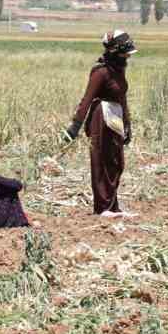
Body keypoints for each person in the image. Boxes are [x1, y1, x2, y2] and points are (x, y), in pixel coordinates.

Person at [66, 30, 135, 216]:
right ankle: (103, 207)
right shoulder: (101, 72)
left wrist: (127, 125)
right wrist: (75, 127)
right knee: (101, 161)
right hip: (101, 119)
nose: (128, 56)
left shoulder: (118, 71)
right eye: (125, 52)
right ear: (115, 51)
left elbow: (122, 98)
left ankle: (113, 206)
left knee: (116, 162)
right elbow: (87, 99)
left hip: (116, 118)